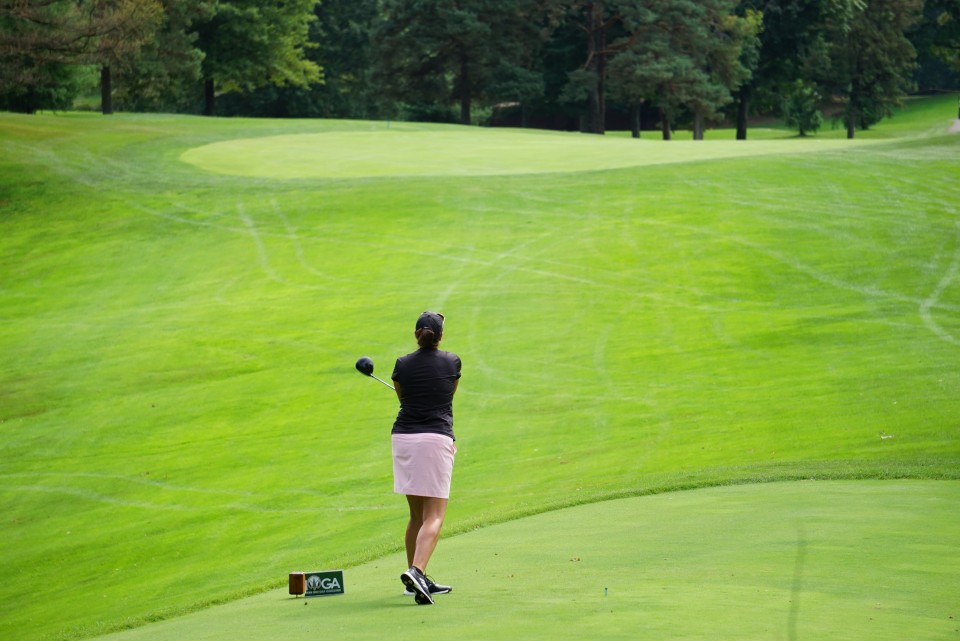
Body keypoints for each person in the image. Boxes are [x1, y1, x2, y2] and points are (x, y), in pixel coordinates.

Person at [391, 311, 461, 605]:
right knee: (434, 516)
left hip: (403, 439)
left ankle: (414, 582)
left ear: (416, 334)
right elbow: (448, 397)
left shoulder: (402, 364)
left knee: (416, 516)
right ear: (440, 336)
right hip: (434, 439)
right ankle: (417, 571)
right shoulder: (452, 362)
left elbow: (402, 398)